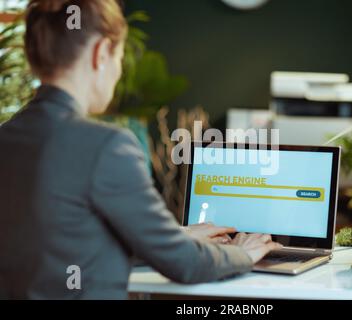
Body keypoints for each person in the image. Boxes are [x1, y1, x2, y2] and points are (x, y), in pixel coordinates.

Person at [0, 0, 281, 299]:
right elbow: (185, 265)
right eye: (120, 56)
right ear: (102, 53)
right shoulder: (106, 146)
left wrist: (173, 238)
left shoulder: (7, 136)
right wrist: (244, 254)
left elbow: (64, 249)